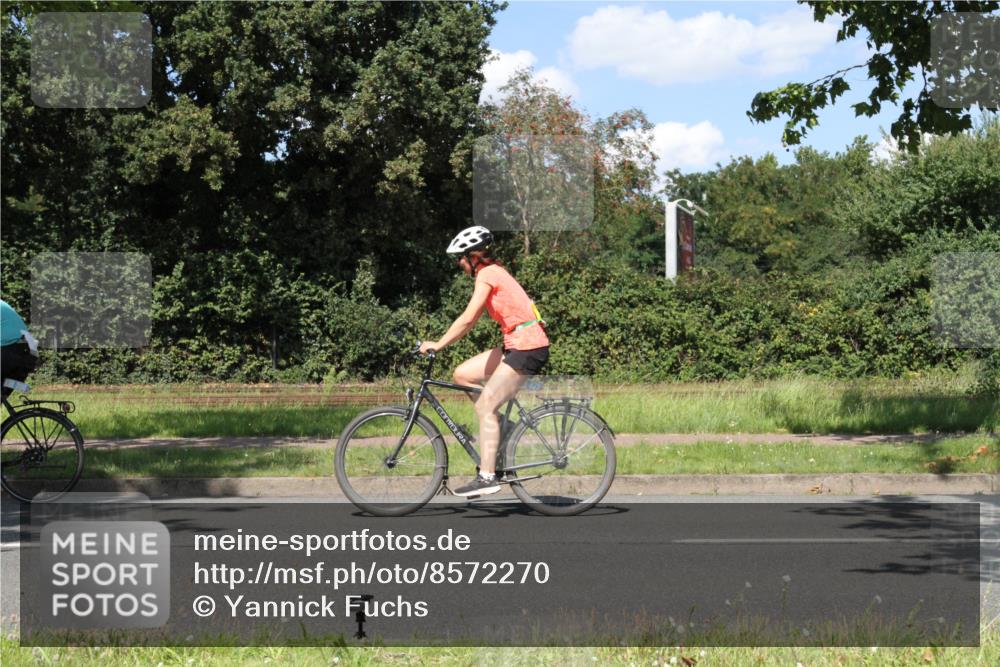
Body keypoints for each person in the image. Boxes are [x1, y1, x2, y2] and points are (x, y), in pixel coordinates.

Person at [418, 226, 549, 497]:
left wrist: (438, 344)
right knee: (462, 374)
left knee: (486, 405)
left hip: (528, 346)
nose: (459, 263)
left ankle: (488, 477)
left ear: (474, 256)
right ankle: (503, 427)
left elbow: (468, 319)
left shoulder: (488, 274)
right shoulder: (492, 272)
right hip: (516, 344)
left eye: (461, 257)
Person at [1, 299, 39, 398]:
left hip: (11, 352)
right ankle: (18, 387)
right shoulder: (3, 305)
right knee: (5, 386)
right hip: (28, 353)